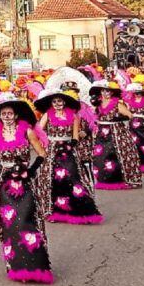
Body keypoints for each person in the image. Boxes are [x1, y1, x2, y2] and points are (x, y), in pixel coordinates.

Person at [0, 93, 53, 283]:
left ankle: (36, 264)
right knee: (11, 223)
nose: (6, 116)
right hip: (5, 181)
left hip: (25, 181)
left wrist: (32, 169)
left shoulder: (27, 131)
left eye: (9, 113)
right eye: (3, 113)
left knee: (27, 219)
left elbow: (42, 153)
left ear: (16, 115)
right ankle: (17, 265)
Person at [35, 89, 104, 225]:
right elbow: (39, 131)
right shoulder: (47, 115)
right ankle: (53, 210)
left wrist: (72, 142)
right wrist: (45, 142)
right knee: (50, 178)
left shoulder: (73, 116)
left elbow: (75, 136)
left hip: (68, 150)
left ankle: (79, 208)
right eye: (54, 102)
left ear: (65, 102)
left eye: (59, 101)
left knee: (73, 177)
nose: (57, 104)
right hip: (52, 151)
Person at [90, 80, 143, 190]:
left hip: (116, 132)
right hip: (101, 134)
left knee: (118, 155)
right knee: (101, 157)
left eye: (108, 91)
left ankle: (123, 178)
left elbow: (130, 115)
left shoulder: (117, 104)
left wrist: (120, 118)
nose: (106, 93)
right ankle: (105, 180)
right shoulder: (97, 105)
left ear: (112, 93)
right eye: (103, 91)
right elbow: (93, 118)